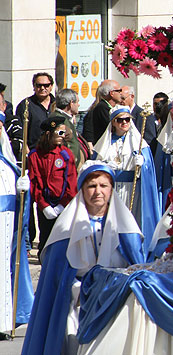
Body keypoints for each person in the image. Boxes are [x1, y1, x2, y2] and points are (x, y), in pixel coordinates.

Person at [21, 161, 145, 355]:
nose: (98, 192)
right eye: (92, 186)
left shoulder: (125, 229)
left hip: (115, 299)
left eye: (103, 186)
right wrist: (80, 291)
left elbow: (137, 269)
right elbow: (56, 280)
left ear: (112, 189)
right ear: (82, 190)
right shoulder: (66, 231)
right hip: (77, 301)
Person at [92, 106, 161, 252]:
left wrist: (143, 164)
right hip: (112, 190)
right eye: (120, 120)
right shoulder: (105, 143)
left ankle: (132, 251)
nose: (124, 123)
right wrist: (104, 166)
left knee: (131, 221)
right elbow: (93, 168)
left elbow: (149, 172)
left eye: (127, 119)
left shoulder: (139, 143)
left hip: (132, 191)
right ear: (113, 122)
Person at [27, 116, 78, 259]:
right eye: (59, 132)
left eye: (64, 133)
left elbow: (72, 182)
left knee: (63, 242)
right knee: (45, 242)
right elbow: (34, 182)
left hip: (63, 205)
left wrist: (62, 205)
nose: (63, 136)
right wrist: (43, 206)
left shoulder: (66, 155)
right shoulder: (35, 155)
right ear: (49, 134)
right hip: (45, 206)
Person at [0, 125, 34, 333]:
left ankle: (4, 323)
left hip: (7, 224)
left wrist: (24, 191)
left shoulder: (8, 164)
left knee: (5, 269)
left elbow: (19, 203)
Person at [16, 72, 56, 150]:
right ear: (34, 86)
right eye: (39, 85)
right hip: (35, 151)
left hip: (55, 151)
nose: (42, 88)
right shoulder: (25, 105)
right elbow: (20, 131)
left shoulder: (57, 104)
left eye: (46, 85)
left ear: (51, 86)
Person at [51, 88, 86, 168]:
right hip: (64, 167)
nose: (78, 105)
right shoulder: (58, 120)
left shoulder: (66, 119)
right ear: (71, 104)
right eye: (77, 102)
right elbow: (58, 139)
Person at [120, 86, 157, 151]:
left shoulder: (145, 116)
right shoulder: (117, 116)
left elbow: (150, 141)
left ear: (132, 97)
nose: (120, 101)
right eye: (119, 98)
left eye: (123, 98)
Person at [89, 80, 123, 144]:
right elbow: (111, 128)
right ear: (111, 93)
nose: (121, 93)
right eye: (119, 91)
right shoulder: (102, 108)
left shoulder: (111, 107)